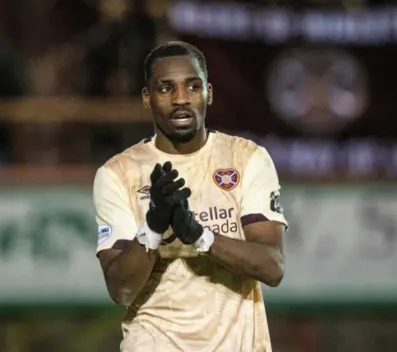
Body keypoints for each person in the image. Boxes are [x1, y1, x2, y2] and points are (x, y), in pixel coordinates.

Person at [93, 41, 287, 351]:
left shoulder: (247, 158)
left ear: (208, 92)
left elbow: (272, 267)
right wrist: (154, 227)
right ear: (147, 98)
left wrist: (199, 236)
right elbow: (121, 291)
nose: (181, 98)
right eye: (166, 88)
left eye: (192, 86)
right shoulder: (117, 173)